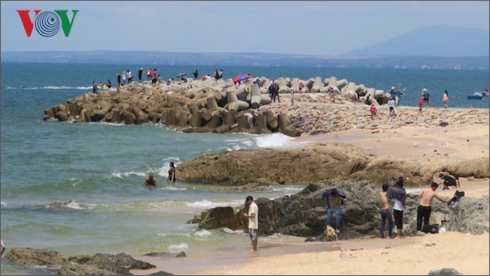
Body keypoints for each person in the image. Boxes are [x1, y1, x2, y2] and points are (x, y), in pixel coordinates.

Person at [387, 174, 406, 239]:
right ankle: (399, 235)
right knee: (400, 222)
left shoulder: (396, 190)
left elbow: (391, 186)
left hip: (397, 208)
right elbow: (395, 186)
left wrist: (389, 178)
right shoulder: (403, 190)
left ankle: (398, 236)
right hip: (401, 208)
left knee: (397, 222)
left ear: (397, 186)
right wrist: (401, 177)